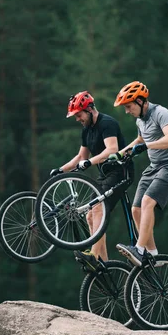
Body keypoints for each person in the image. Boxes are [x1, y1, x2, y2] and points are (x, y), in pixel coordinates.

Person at [50, 91, 134, 271]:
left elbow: (112, 149)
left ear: (88, 109)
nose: (77, 119)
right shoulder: (87, 130)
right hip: (105, 176)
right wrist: (61, 170)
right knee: (90, 214)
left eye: (78, 115)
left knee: (98, 209)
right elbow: (81, 156)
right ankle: (102, 262)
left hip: (120, 173)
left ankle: (94, 256)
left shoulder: (107, 123)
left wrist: (89, 162)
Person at [110, 81, 168, 267]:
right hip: (155, 165)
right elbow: (140, 139)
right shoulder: (140, 120)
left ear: (140, 101)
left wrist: (146, 146)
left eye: (129, 106)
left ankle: (140, 248)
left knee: (147, 202)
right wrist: (122, 152)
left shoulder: (161, 113)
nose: (127, 111)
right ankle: (152, 254)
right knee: (136, 209)